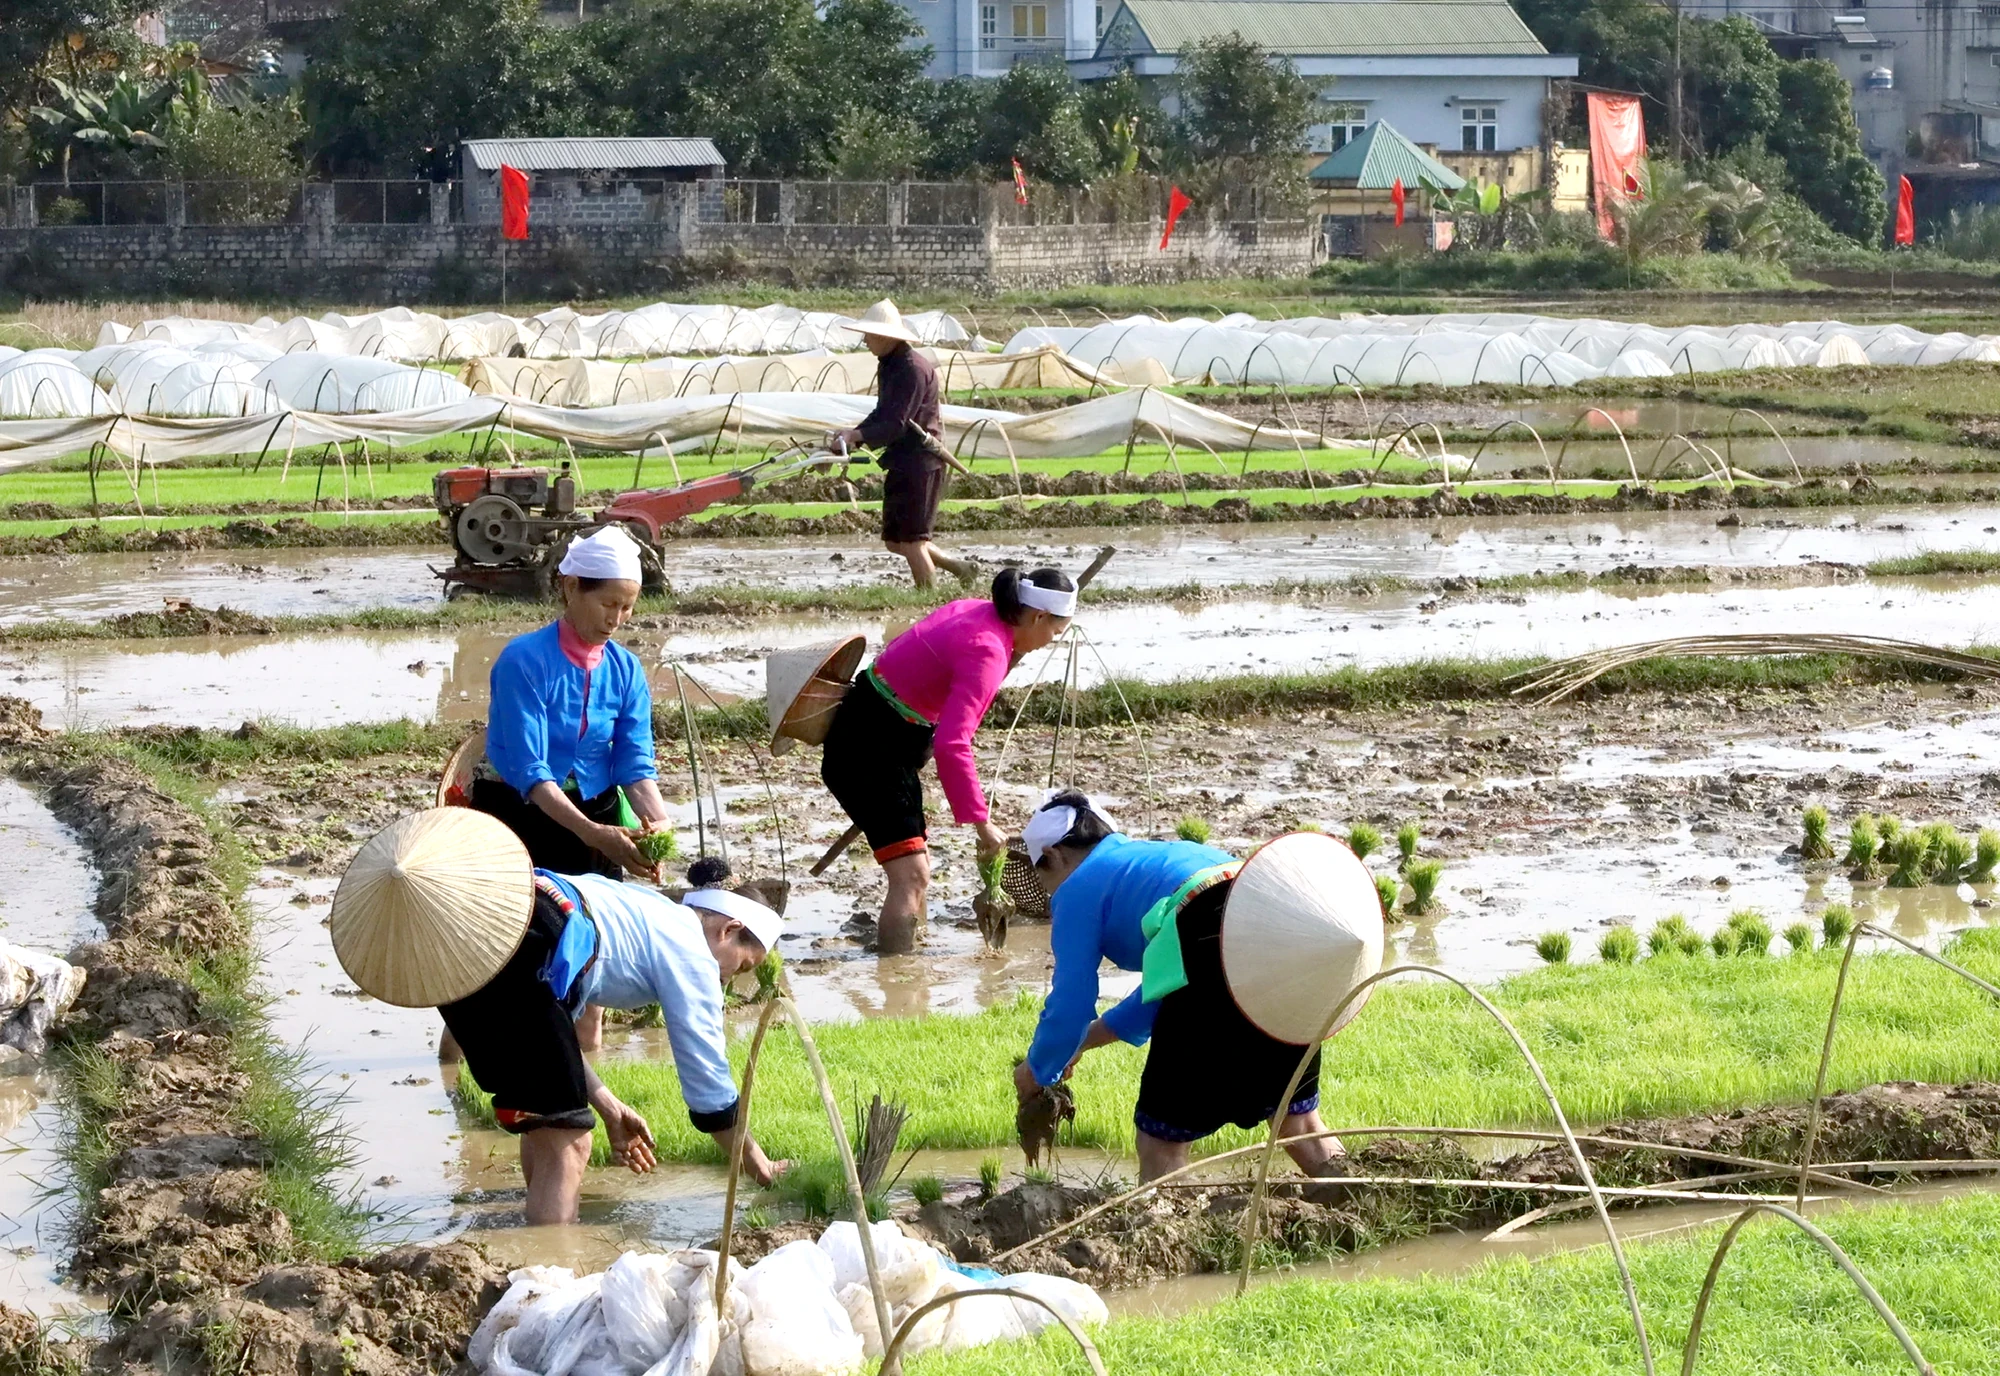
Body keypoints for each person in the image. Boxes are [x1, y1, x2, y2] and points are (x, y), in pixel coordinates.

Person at [330, 809, 787, 1227]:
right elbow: (709, 1087)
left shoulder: (637, 908)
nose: (726, 980)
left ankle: (534, 1241)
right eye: (740, 966)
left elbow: (550, 1037)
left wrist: (609, 1107)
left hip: (463, 946)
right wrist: (756, 1164)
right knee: (569, 1145)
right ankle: (551, 1273)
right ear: (728, 930)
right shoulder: (691, 952)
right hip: (526, 945)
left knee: (545, 1120)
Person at [1015, 799, 1349, 1184]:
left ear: (1052, 855)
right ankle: (1364, 1206)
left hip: (1213, 948)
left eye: (1045, 882)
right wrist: (1082, 1044)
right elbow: (1169, 984)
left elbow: (1072, 999)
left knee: (1161, 1143)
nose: (1052, 896)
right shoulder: (1163, 858)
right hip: (1285, 942)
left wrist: (1037, 1070)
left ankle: (1168, 1239)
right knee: (1299, 1121)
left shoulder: (1077, 888)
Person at [472, 525, 672, 1053]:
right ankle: (462, 1050)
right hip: (523, 810)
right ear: (570, 587)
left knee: (595, 938)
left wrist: (657, 822)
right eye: (608, 603)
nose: (618, 619)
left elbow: (634, 760)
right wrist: (594, 834)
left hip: (599, 806)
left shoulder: (626, 670)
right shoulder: (524, 661)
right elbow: (533, 772)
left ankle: (588, 1052)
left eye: (628, 607)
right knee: (510, 943)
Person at [819, 567, 1076, 955]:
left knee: (912, 861)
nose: (1050, 642)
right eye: (1055, 633)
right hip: (871, 750)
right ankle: (899, 978)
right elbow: (954, 743)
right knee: (911, 875)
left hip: (875, 726)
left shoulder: (974, 610)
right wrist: (981, 822)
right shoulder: (988, 652)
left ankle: (910, 958)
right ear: (1039, 616)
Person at [829, 299, 978, 589]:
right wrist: (855, 434)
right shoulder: (890, 365)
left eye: (869, 335)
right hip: (902, 459)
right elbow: (882, 413)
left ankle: (927, 600)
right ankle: (960, 568)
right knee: (897, 542)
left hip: (920, 463)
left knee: (913, 542)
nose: (865, 340)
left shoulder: (911, 370)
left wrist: (857, 437)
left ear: (885, 337)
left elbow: (896, 422)